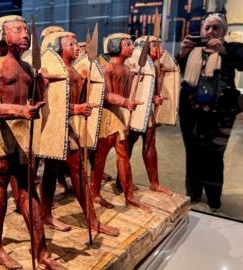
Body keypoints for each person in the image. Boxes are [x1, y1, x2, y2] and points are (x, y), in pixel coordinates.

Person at [0, 15, 64, 270]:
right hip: (4, 131)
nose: (25, 34)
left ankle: (42, 252)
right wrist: (21, 112)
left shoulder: (28, 69)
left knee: (29, 189)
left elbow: (35, 101)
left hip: (24, 131)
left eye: (26, 30)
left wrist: (42, 87)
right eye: (17, 30)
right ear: (2, 36)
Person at [39, 31, 119, 236]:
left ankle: (46, 214)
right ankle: (92, 222)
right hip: (55, 128)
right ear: (59, 49)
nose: (77, 48)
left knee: (52, 169)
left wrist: (86, 85)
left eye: (76, 44)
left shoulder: (72, 71)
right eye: (71, 45)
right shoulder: (50, 70)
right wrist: (76, 109)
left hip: (67, 127)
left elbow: (76, 96)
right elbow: (51, 104)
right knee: (76, 170)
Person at [176, 12, 243, 210]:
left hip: (220, 113)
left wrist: (223, 50)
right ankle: (192, 192)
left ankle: (213, 196)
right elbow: (175, 70)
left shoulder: (233, 48)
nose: (210, 32)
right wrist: (182, 53)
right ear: (201, 30)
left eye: (215, 28)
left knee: (214, 155)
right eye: (207, 27)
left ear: (224, 31)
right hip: (190, 111)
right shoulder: (194, 49)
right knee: (192, 152)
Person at [90, 33, 150, 211]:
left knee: (123, 156)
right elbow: (106, 96)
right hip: (107, 117)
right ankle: (94, 193)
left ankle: (129, 195)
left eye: (131, 44)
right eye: (128, 44)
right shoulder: (107, 68)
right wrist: (125, 102)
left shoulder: (125, 69)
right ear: (117, 47)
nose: (132, 47)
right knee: (100, 158)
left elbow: (126, 91)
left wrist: (134, 78)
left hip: (119, 117)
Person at [115, 36, 173, 196]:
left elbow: (150, 90)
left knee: (150, 146)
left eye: (159, 46)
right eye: (154, 46)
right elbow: (126, 87)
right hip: (134, 112)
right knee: (127, 147)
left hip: (148, 113)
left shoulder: (154, 65)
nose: (158, 49)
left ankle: (154, 183)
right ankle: (122, 181)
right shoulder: (133, 62)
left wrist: (154, 98)